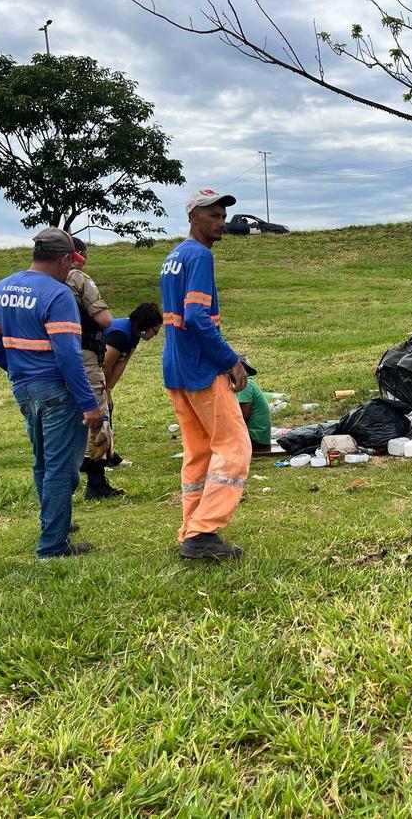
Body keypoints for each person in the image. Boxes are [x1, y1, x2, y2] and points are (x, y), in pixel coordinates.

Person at [0, 228, 102, 558]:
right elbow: (68, 355)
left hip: (25, 388)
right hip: (58, 391)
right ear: (61, 260)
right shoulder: (58, 296)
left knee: (43, 462)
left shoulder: (4, 286)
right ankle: (53, 546)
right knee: (62, 468)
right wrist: (89, 404)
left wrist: (16, 365)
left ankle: (53, 525)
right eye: (70, 263)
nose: (71, 269)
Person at [160, 188, 251, 562]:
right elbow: (196, 317)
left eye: (222, 216)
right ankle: (204, 530)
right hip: (201, 370)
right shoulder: (199, 256)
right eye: (213, 215)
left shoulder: (174, 257)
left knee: (198, 453)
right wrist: (230, 360)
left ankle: (192, 531)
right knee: (234, 448)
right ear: (193, 217)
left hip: (177, 369)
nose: (221, 222)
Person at [67, 237, 120, 499]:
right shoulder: (78, 278)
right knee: (96, 414)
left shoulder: (40, 282)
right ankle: (96, 482)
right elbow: (105, 319)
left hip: (52, 358)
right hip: (85, 355)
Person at [100, 302, 163, 464]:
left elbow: (122, 362)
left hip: (103, 376)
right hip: (92, 372)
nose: (155, 335)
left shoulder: (135, 335)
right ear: (145, 325)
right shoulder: (120, 334)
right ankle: (100, 458)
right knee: (101, 411)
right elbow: (106, 364)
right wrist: (105, 390)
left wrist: (110, 388)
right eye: (154, 331)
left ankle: (109, 454)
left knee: (107, 408)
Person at [236, 374, 273, 453]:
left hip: (255, 438)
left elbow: (244, 414)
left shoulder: (245, 384)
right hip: (260, 439)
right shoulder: (247, 383)